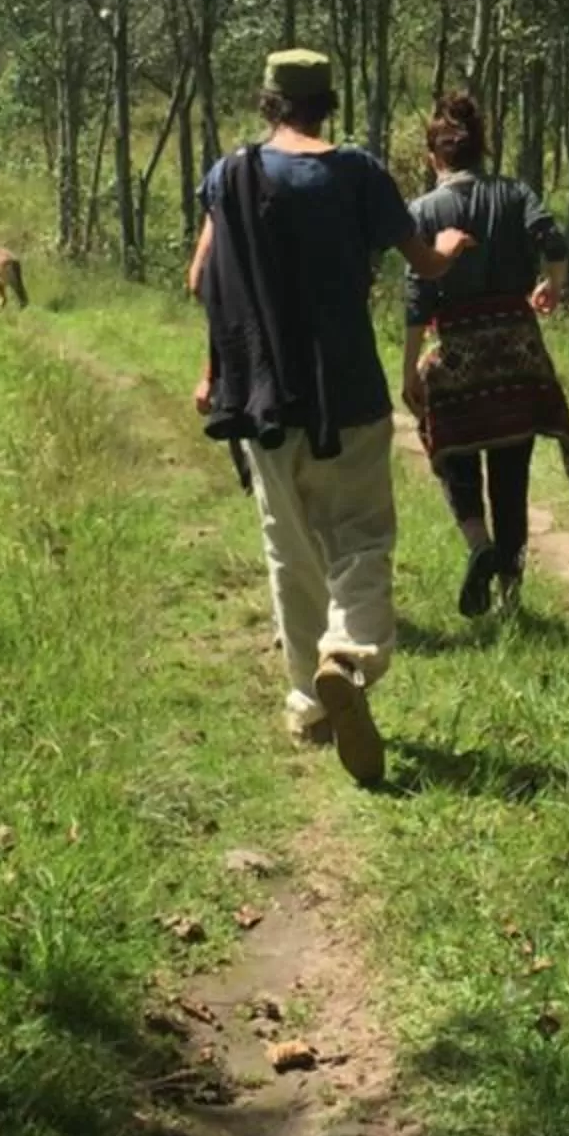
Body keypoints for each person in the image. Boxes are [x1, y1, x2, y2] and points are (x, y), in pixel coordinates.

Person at [190, 50, 475, 789]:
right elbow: (425, 261)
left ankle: (307, 705)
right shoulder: (357, 173)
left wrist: (213, 369)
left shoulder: (230, 175)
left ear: (267, 102)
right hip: (345, 389)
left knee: (289, 548)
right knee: (362, 537)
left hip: (260, 397)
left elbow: (200, 278)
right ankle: (346, 656)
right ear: (330, 102)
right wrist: (445, 247)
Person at [401, 91, 569, 616]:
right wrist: (553, 283)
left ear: (435, 156)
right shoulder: (515, 193)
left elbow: (417, 295)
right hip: (517, 354)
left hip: (457, 352)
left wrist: (410, 365)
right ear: (481, 149)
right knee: (512, 473)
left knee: (452, 453)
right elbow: (553, 240)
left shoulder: (425, 210)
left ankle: (479, 545)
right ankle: (510, 594)